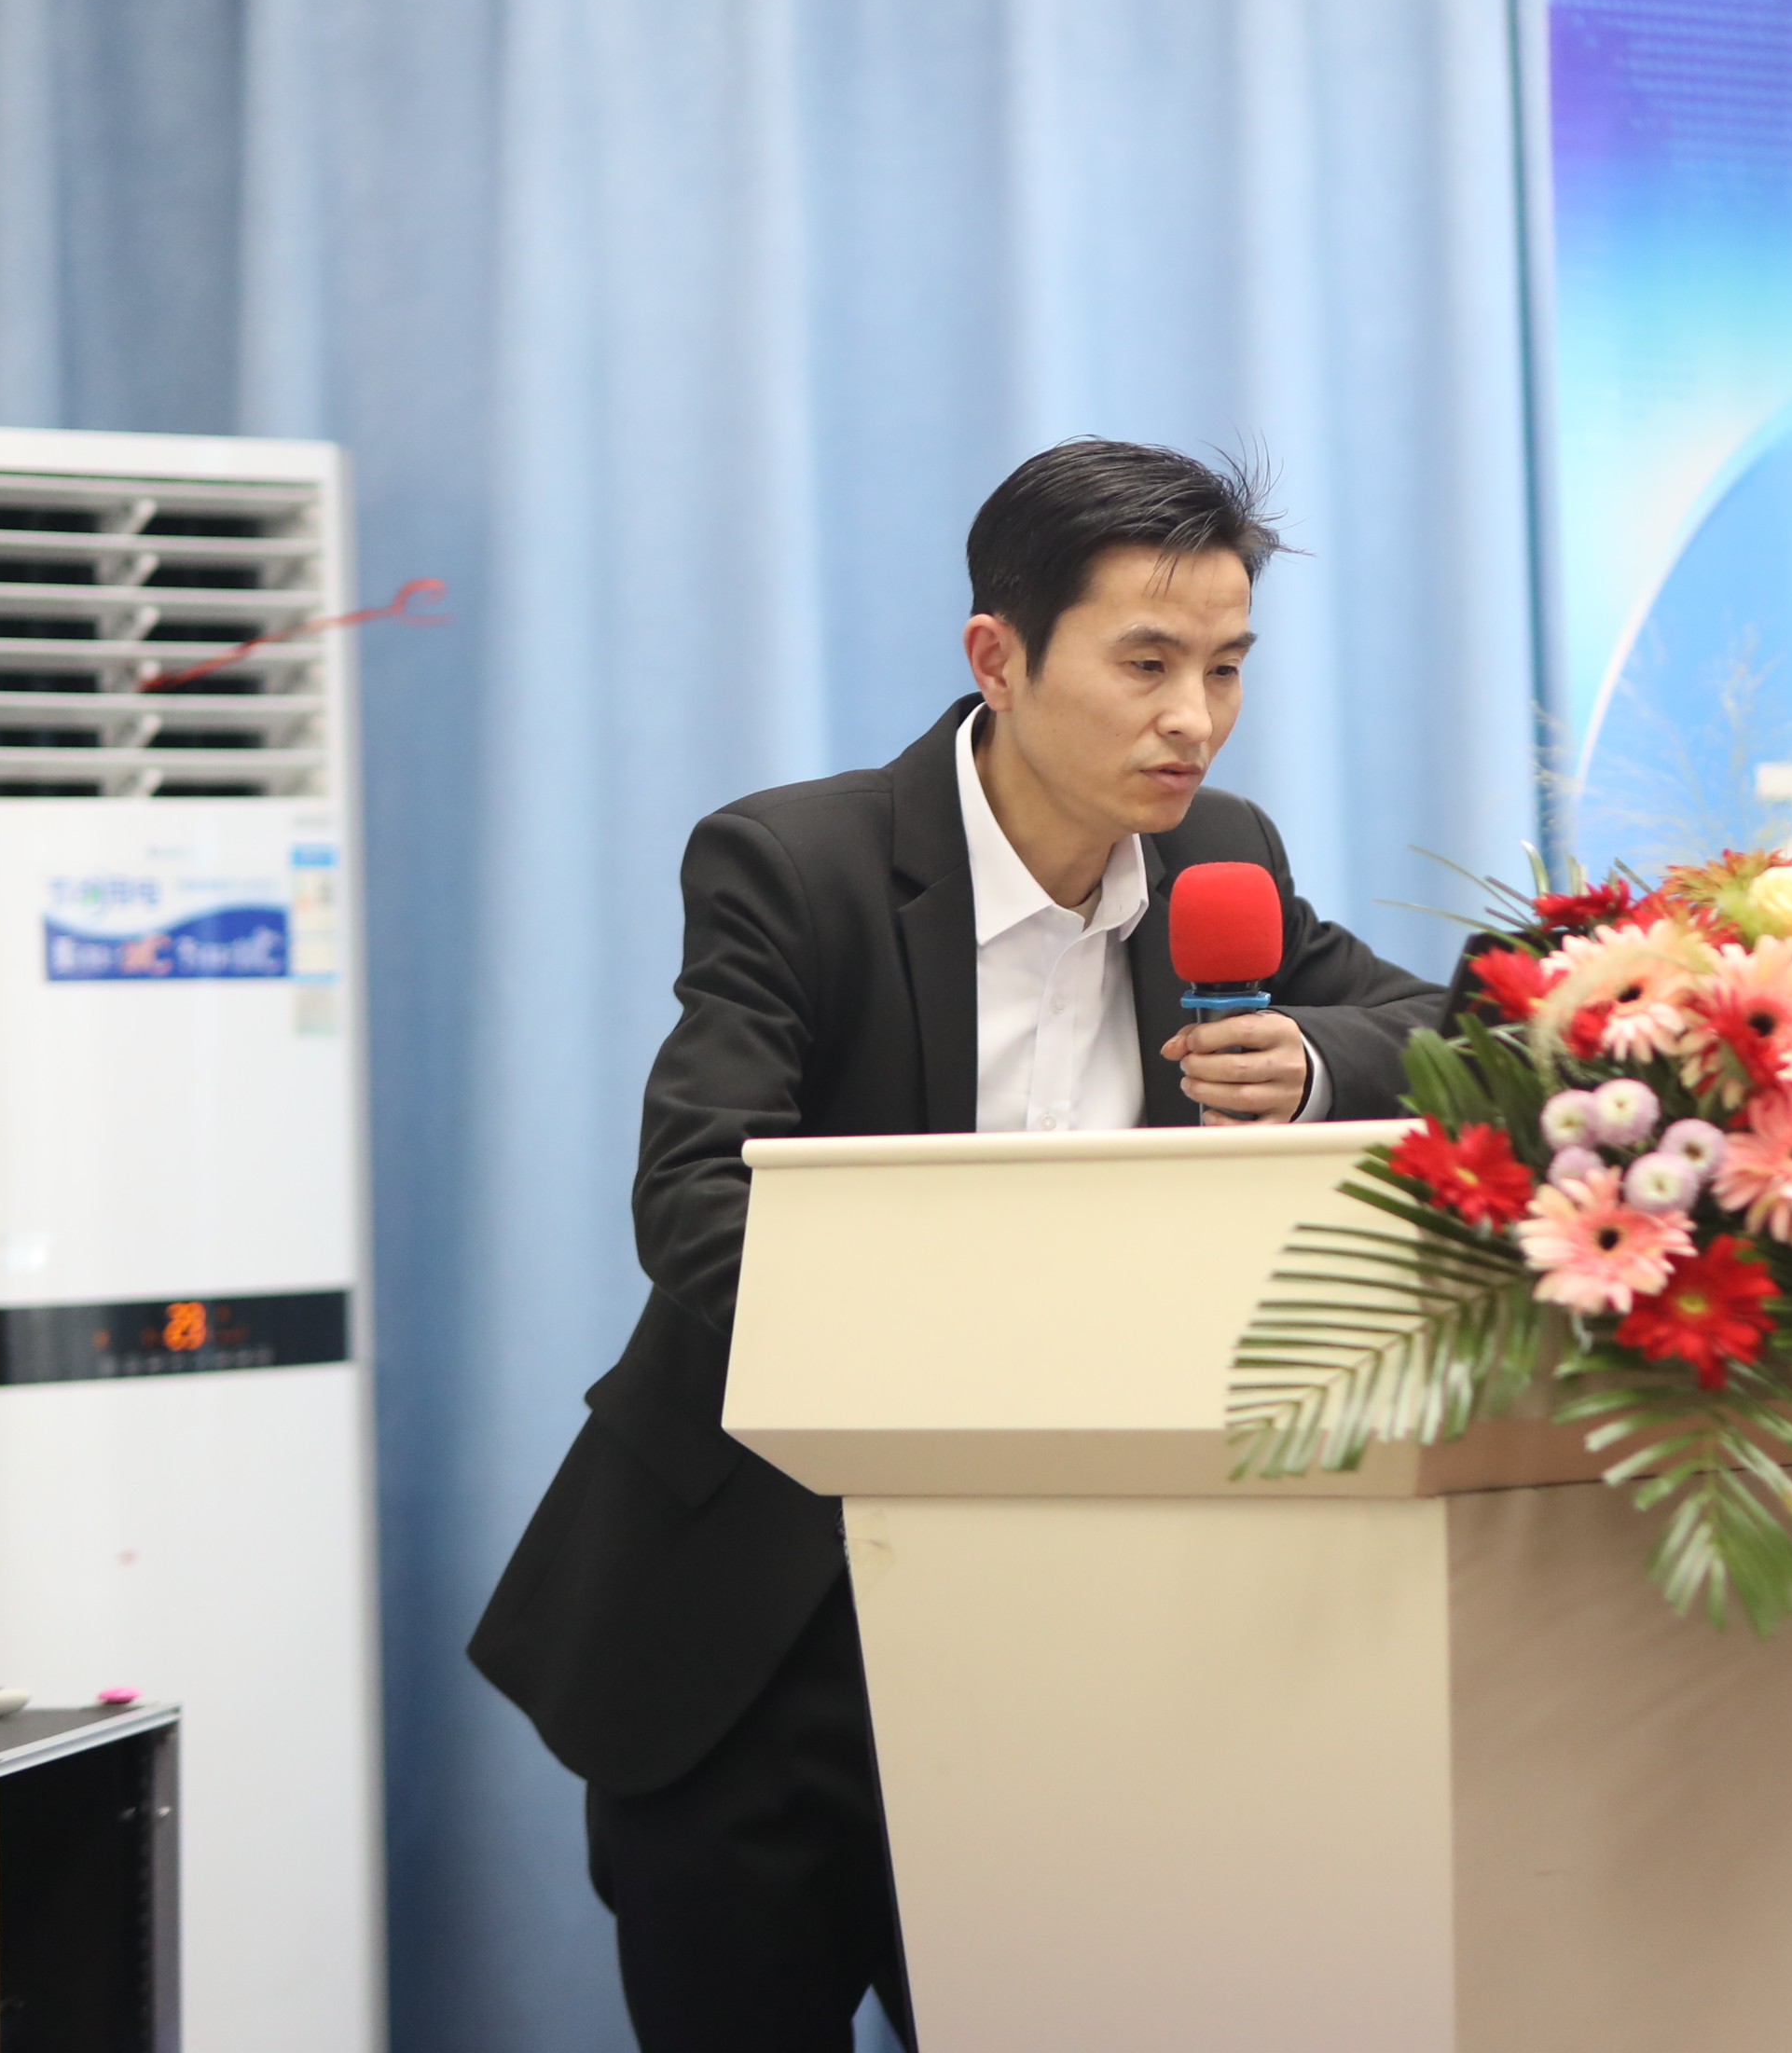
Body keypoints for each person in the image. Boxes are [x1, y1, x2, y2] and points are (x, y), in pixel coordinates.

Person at [469, 439, 1442, 2052]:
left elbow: (1460, 1026)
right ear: (998, 655)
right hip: (760, 1640)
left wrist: (1321, 1061)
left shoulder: (1221, 860)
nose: (1193, 719)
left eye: (1226, 668)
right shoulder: (799, 865)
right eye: (1146, 664)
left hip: (1072, 1648)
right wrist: (1011, 1352)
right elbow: (699, 1205)